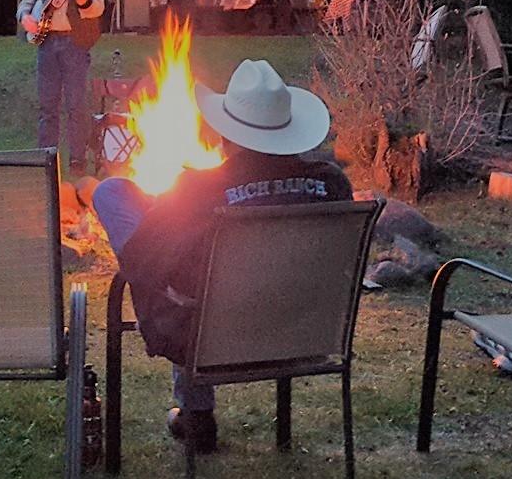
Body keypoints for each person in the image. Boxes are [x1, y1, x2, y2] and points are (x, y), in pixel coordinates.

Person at [89, 59, 352, 454]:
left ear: (227, 134)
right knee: (190, 270)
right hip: (301, 334)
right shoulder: (333, 183)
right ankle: (197, 410)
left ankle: (197, 414)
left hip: (213, 337)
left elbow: (147, 262)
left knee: (112, 196)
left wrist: (162, 234)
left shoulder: (200, 188)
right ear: (290, 130)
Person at [17, 0, 106, 176]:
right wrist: (25, 17)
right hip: (47, 43)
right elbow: (26, 2)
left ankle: (77, 160)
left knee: (76, 105)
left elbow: (95, 9)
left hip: (74, 44)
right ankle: (45, 157)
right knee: (48, 105)